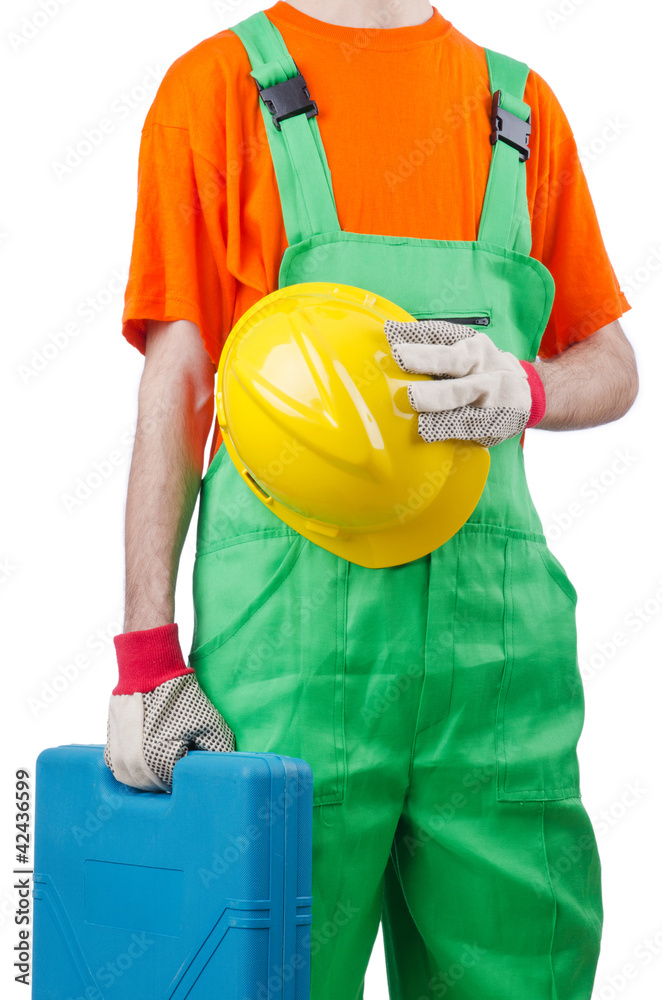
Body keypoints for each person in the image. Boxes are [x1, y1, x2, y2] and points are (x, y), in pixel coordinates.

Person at [104, 2, 638, 997]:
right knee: (262, 973)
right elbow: (178, 385)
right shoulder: (215, 91)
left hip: (497, 664)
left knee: (522, 976)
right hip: (286, 662)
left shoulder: (518, 109)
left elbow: (611, 363)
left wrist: (524, 386)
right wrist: (145, 661)